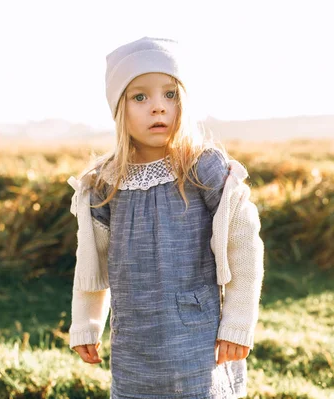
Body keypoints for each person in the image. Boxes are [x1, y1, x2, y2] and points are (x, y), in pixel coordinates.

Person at [67, 36, 264, 398]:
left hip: (197, 331)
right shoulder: (104, 183)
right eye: (140, 97)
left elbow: (244, 245)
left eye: (169, 95)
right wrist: (86, 324)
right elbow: (91, 263)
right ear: (119, 108)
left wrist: (236, 324)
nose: (158, 108)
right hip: (134, 338)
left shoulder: (203, 168)